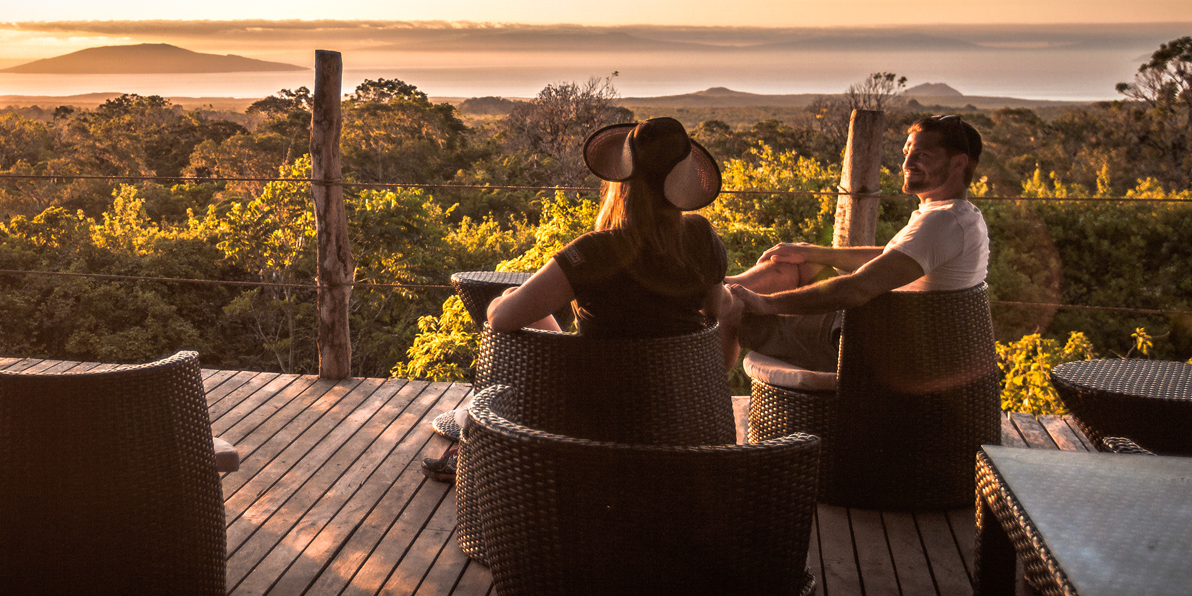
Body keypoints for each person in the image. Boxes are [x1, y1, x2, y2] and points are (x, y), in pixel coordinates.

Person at [423, 116, 730, 481]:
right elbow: (719, 312)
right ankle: (472, 433)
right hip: (676, 412)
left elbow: (503, 319)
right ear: (680, 182)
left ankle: (477, 444)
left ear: (624, 181)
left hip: (591, 417)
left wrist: (495, 304)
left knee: (508, 305)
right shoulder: (700, 237)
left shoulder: (596, 251)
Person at [723, 114, 989, 373]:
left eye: (922, 155)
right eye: (907, 152)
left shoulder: (943, 222)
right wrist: (810, 251)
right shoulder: (957, 215)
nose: (907, 163)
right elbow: (891, 257)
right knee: (798, 264)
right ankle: (721, 286)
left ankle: (708, 397)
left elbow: (859, 288)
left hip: (866, 349)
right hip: (881, 332)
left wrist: (765, 304)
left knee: (733, 309)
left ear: (958, 163)